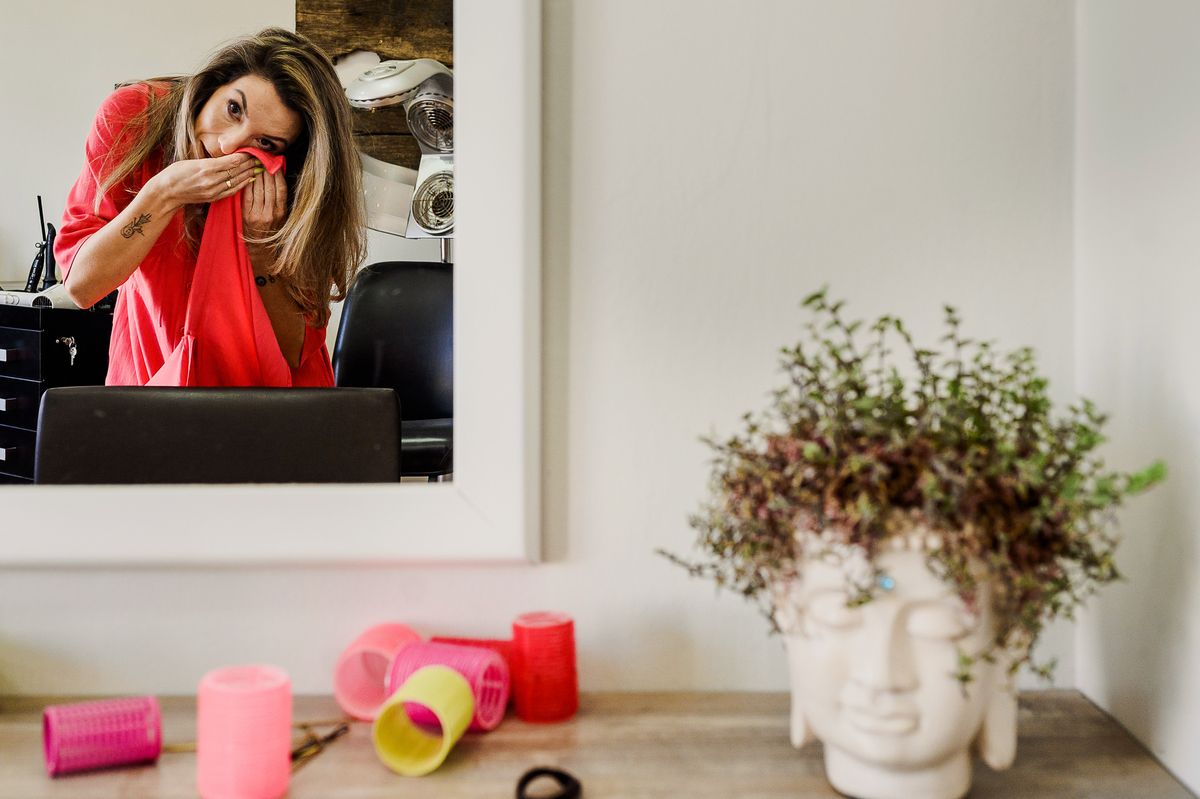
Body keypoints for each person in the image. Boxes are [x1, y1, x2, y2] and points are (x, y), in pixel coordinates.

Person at [55, 27, 365, 386]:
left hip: (264, 411)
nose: (227, 145)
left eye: (264, 141)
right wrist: (164, 192)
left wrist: (260, 250)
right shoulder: (136, 118)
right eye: (234, 109)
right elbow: (81, 286)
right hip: (148, 388)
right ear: (215, 81)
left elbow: (293, 352)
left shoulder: (293, 183)